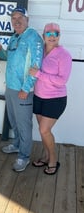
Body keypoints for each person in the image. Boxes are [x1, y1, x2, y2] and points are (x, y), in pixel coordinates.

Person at [0, 7, 43, 172]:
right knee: (13, 120)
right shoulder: (14, 37)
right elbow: (10, 57)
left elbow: (36, 66)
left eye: (20, 17)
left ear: (27, 19)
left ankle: (24, 156)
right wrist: (0, 52)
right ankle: (16, 144)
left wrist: (26, 88)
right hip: (10, 87)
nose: (16, 21)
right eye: (13, 18)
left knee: (23, 125)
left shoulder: (33, 37)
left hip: (23, 90)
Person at [29, 23, 72, 175]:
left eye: (56, 33)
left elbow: (62, 80)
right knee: (43, 132)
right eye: (49, 33)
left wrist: (38, 74)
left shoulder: (64, 55)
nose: (52, 36)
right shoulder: (40, 52)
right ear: (44, 36)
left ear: (59, 36)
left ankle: (53, 160)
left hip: (55, 99)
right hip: (39, 97)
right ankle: (47, 157)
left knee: (44, 130)